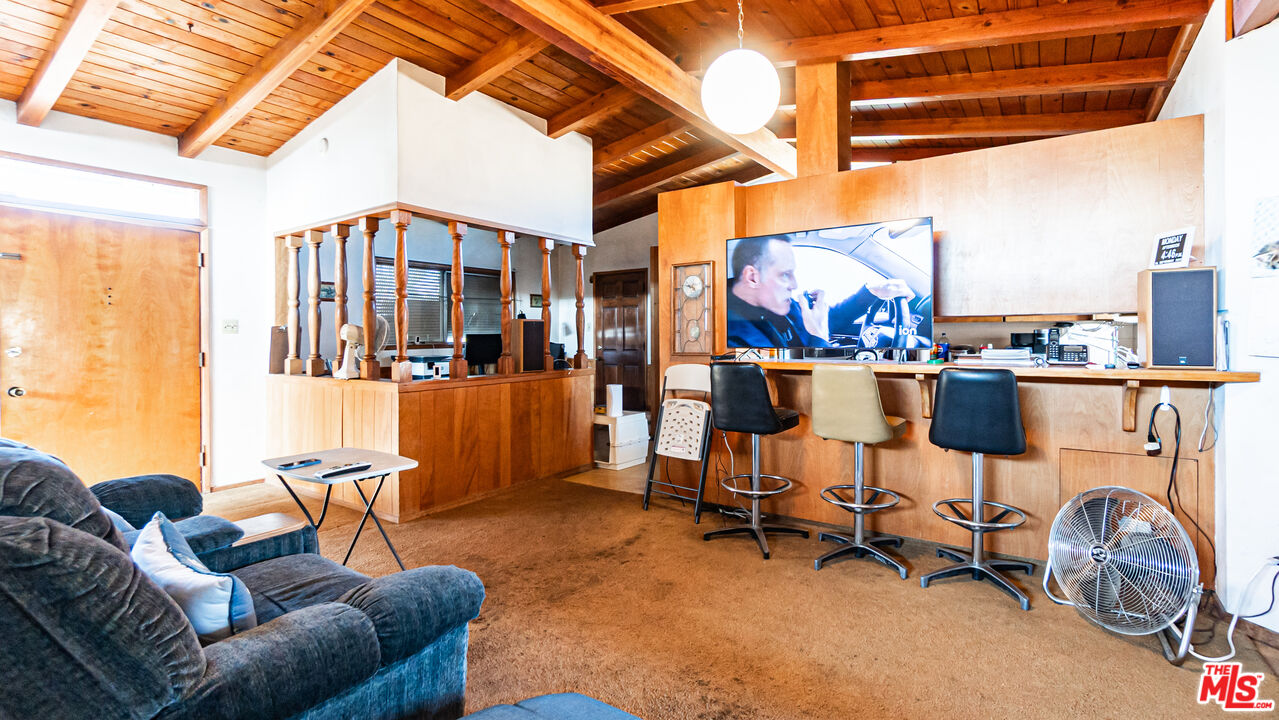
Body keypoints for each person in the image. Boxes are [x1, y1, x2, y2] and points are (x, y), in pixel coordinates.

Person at [726, 235, 915, 349]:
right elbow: (813, 391)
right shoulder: (735, 339)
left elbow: (830, 320)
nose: (794, 284)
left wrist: (871, 292)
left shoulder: (777, 305)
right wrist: (819, 337)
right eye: (785, 274)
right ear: (752, 277)